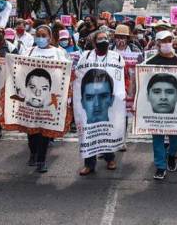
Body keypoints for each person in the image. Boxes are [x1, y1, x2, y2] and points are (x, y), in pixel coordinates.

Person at [20, 24, 70, 173]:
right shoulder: (29, 51)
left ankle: (41, 160)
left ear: (50, 37)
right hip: (31, 97)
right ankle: (33, 152)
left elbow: (65, 72)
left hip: (49, 99)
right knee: (32, 130)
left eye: (44, 35)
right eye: (38, 35)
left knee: (44, 130)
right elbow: (20, 69)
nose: (41, 38)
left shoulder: (58, 53)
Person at [142, 29, 177, 180]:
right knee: (157, 137)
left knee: (175, 137)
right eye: (163, 41)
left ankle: (171, 154)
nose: (167, 44)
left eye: (169, 40)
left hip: (176, 108)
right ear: (157, 43)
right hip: (156, 110)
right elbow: (143, 83)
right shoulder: (150, 62)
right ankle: (160, 166)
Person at [77, 30, 123, 175]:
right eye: (100, 38)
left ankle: (110, 158)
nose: (103, 41)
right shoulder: (85, 56)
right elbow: (78, 75)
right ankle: (89, 164)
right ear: (94, 41)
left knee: (106, 129)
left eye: (105, 38)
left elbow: (122, 76)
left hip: (107, 98)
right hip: (90, 98)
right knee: (89, 131)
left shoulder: (117, 57)